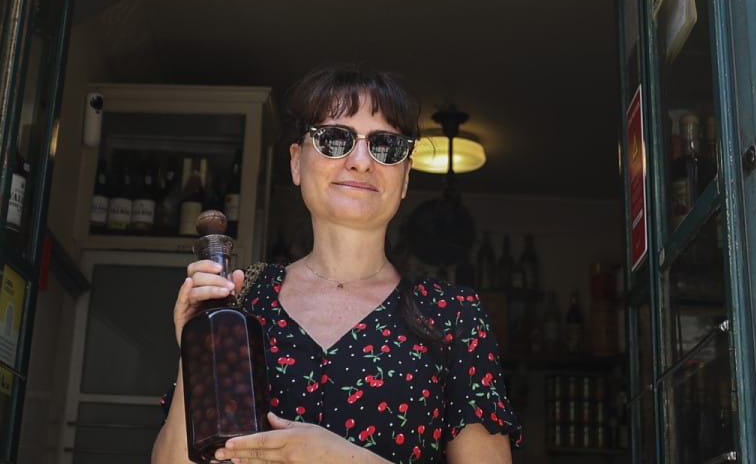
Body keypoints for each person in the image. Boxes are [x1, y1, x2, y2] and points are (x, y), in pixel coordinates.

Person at [153, 67, 520, 464]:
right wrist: (196, 348)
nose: (361, 162)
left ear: (405, 178)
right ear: (296, 163)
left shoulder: (454, 315)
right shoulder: (241, 302)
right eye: (333, 139)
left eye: (385, 146)